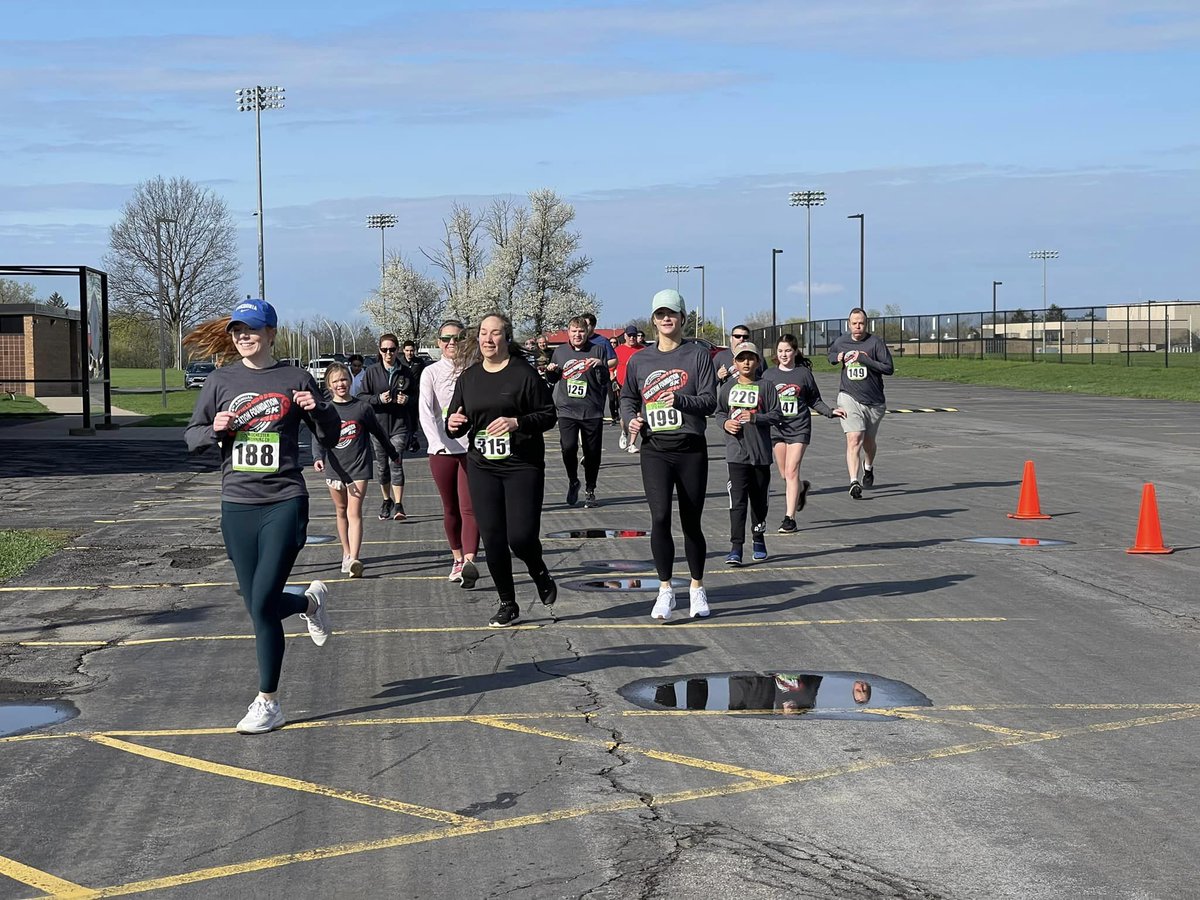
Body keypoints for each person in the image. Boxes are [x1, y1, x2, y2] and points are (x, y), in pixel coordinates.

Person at [183, 298, 341, 735]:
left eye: (251, 329)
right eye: (237, 331)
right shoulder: (220, 379)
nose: (243, 337)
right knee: (259, 606)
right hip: (237, 503)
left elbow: (330, 434)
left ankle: (268, 701)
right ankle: (310, 602)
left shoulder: (295, 378)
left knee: (261, 602)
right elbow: (191, 435)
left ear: (271, 333)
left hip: (284, 500)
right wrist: (214, 428)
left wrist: (319, 408)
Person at [447, 313, 558, 627]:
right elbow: (456, 421)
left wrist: (516, 422)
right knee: (493, 538)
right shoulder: (468, 378)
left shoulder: (523, 375)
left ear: (506, 338)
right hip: (482, 466)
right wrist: (453, 425)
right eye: (483, 333)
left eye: (495, 333)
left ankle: (538, 570)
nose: (488, 339)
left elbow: (549, 415)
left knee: (521, 538)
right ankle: (507, 603)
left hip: (522, 465)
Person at [621, 289, 717, 620]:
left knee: (691, 521)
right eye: (660, 314)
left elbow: (709, 401)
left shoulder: (697, 355)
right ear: (653, 320)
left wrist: (679, 400)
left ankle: (696, 587)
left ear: (682, 318)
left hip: (690, 448)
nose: (666, 319)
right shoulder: (640, 360)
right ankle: (665, 590)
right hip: (655, 449)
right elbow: (626, 398)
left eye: (672, 314)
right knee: (660, 518)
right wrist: (629, 419)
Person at [313, 363, 399, 578]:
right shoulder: (326, 409)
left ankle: (354, 559)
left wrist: (393, 453)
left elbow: (378, 433)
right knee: (341, 511)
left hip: (358, 467)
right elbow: (318, 437)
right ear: (329, 385)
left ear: (350, 381)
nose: (340, 384)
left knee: (354, 512)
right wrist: (317, 458)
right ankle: (346, 552)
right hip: (335, 469)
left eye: (344, 379)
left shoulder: (362, 408)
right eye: (336, 381)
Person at [418, 319, 480, 589]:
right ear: (438, 342)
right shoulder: (430, 372)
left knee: (470, 507)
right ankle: (456, 556)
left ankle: (469, 561)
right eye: (446, 339)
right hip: (442, 450)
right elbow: (425, 411)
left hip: (471, 448)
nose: (451, 343)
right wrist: (437, 442)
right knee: (450, 507)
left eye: (457, 338)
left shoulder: (474, 370)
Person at [762, 334, 846, 533]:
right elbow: (761, 401)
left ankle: (789, 519)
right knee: (784, 473)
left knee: (791, 471)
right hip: (777, 429)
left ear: (795, 352)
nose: (784, 354)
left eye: (788, 351)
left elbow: (814, 399)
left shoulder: (803, 374)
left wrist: (829, 411)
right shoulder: (768, 376)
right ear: (776, 353)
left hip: (799, 428)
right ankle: (801, 488)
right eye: (781, 351)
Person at [718, 342, 783, 566]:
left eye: (750, 358)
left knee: (759, 501)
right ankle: (736, 547)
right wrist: (726, 423)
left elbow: (777, 414)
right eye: (741, 358)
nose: (746, 362)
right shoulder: (727, 388)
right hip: (736, 454)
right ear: (734, 362)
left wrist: (755, 418)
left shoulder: (766, 386)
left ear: (757, 361)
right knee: (737, 502)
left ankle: (758, 538)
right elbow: (718, 413)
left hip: (761, 454)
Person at [828, 308, 895, 498]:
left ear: (866, 324)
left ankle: (868, 467)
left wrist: (865, 360)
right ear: (849, 324)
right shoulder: (842, 341)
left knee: (868, 442)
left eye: (861, 323)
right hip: (849, 396)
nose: (858, 326)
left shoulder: (875, 343)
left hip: (874, 402)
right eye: (854, 323)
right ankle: (853, 481)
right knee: (854, 437)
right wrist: (837, 358)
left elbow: (889, 368)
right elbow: (831, 355)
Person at [545, 315, 610, 508]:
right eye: (573, 331)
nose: (577, 335)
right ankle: (573, 480)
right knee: (569, 447)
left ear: (587, 333)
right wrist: (551, 370)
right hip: (566, 408)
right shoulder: (560, 351)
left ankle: (590, 489)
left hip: (591, 409)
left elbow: (603, 380)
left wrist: (600, 366)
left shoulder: (597, 350)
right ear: (568, 332)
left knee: (592, 453)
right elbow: (553, 379)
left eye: (581, 331)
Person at [355, 333, 414, 520]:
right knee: (382, 466)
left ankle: (398, 505)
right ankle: (386, 500)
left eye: (392, 350)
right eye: (384, 350)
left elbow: (418, 397)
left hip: (399, 425)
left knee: (395, 462)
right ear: (379, 351)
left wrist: (407, 400)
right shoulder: (372, 371)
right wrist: (378, 399)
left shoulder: (406, 372)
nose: (388, 353)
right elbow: (362, 397)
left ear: (398, 350)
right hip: (378, 426)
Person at [614, 325, 645, 450]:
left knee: (638, 414)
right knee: (625, 415)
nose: (632, 338)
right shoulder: (618, 350)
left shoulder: (643, 350)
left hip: (639, 387)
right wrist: (613, 381)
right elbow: (611, 368)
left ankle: (631, 443)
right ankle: (624, 432)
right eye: (630, 335)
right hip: (622, 386)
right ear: (625, 336)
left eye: (634, 335)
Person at [401, 339, 427, 452]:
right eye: (407, 350)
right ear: (403, 350)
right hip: (403, 394)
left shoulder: (419, 362)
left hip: (415, 395)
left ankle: (413, 440)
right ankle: (405, 440)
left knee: (413, 418)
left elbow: (425, 375)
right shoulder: (400, 362)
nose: (409, 353)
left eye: (411, 350)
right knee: (403, 419)